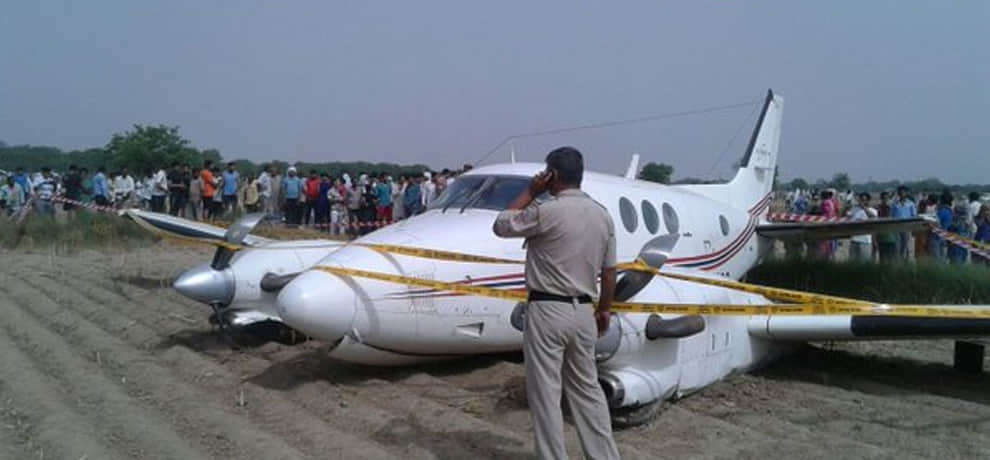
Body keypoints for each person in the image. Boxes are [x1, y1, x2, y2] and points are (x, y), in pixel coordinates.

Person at [493, 147, 620, 460]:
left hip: (547, 311)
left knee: (546, 394)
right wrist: (604, 309)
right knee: (587, 391)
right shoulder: (602, 215)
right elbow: (609, 271)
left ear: (551, 175)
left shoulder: (545, 210)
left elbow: (502, 224)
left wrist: (530, 191)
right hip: (584, 313)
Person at [846, 192, 877, 262]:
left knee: (865, 262)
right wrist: (846, 205)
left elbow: (872, 217)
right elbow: (845, 216)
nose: (862, 201)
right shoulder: (854, 209)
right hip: (854, 240)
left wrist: (863, 207)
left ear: (868, 201)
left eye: (864, 200)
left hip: (865, 241)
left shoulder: (873, 210)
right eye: (861, 200)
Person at [890, 185, 917, 260]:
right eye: (900, 192)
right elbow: (891, 216)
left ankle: (905, 263)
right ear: (898, 193)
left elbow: (914, 216)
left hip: (907, 228)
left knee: (906, 247)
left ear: (907, 193)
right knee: (897, 247)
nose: (902, 193)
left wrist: (913, 228)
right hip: (896, 228)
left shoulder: (911, 204)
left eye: (904, 192)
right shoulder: (895, 204)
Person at [875, 191, 898, 261]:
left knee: (892, 258)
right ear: (881, 199)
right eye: (883, 198)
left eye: (887, 198)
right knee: (882, 258)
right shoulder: (878, 208)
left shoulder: (893, 208)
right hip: (881, 237)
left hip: (892, 237)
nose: (885, 200)